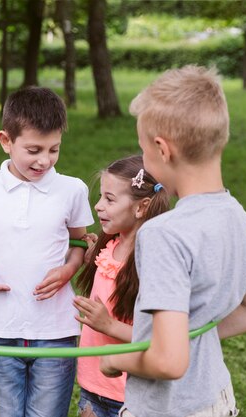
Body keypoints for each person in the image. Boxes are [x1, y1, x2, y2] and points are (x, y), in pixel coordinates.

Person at [100, 65, 246, 417]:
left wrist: (115, 359)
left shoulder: (164, 233)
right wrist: (182, 336)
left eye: (143, 151)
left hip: (168, 409)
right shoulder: (239, 217)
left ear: (162, 149)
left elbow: (169, 362)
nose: (144, 161)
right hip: (217, 400)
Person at [0, 86, 94, 417]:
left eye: (53, 149)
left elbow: (79, 244)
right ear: (6, 141)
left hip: (56, 330)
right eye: (33, 150)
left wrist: (68, 270)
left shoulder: (72, 190)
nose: (44, 160)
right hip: (1, 328)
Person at [73, 155, 169, 417]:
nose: (98, 206)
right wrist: (93, 251)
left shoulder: (151, 262)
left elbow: (163, 338)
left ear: (141, 207)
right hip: (92, 387)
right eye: (101, 196)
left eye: (109, 199)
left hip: (131, 394)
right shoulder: (109, 246)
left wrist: (109, 326)